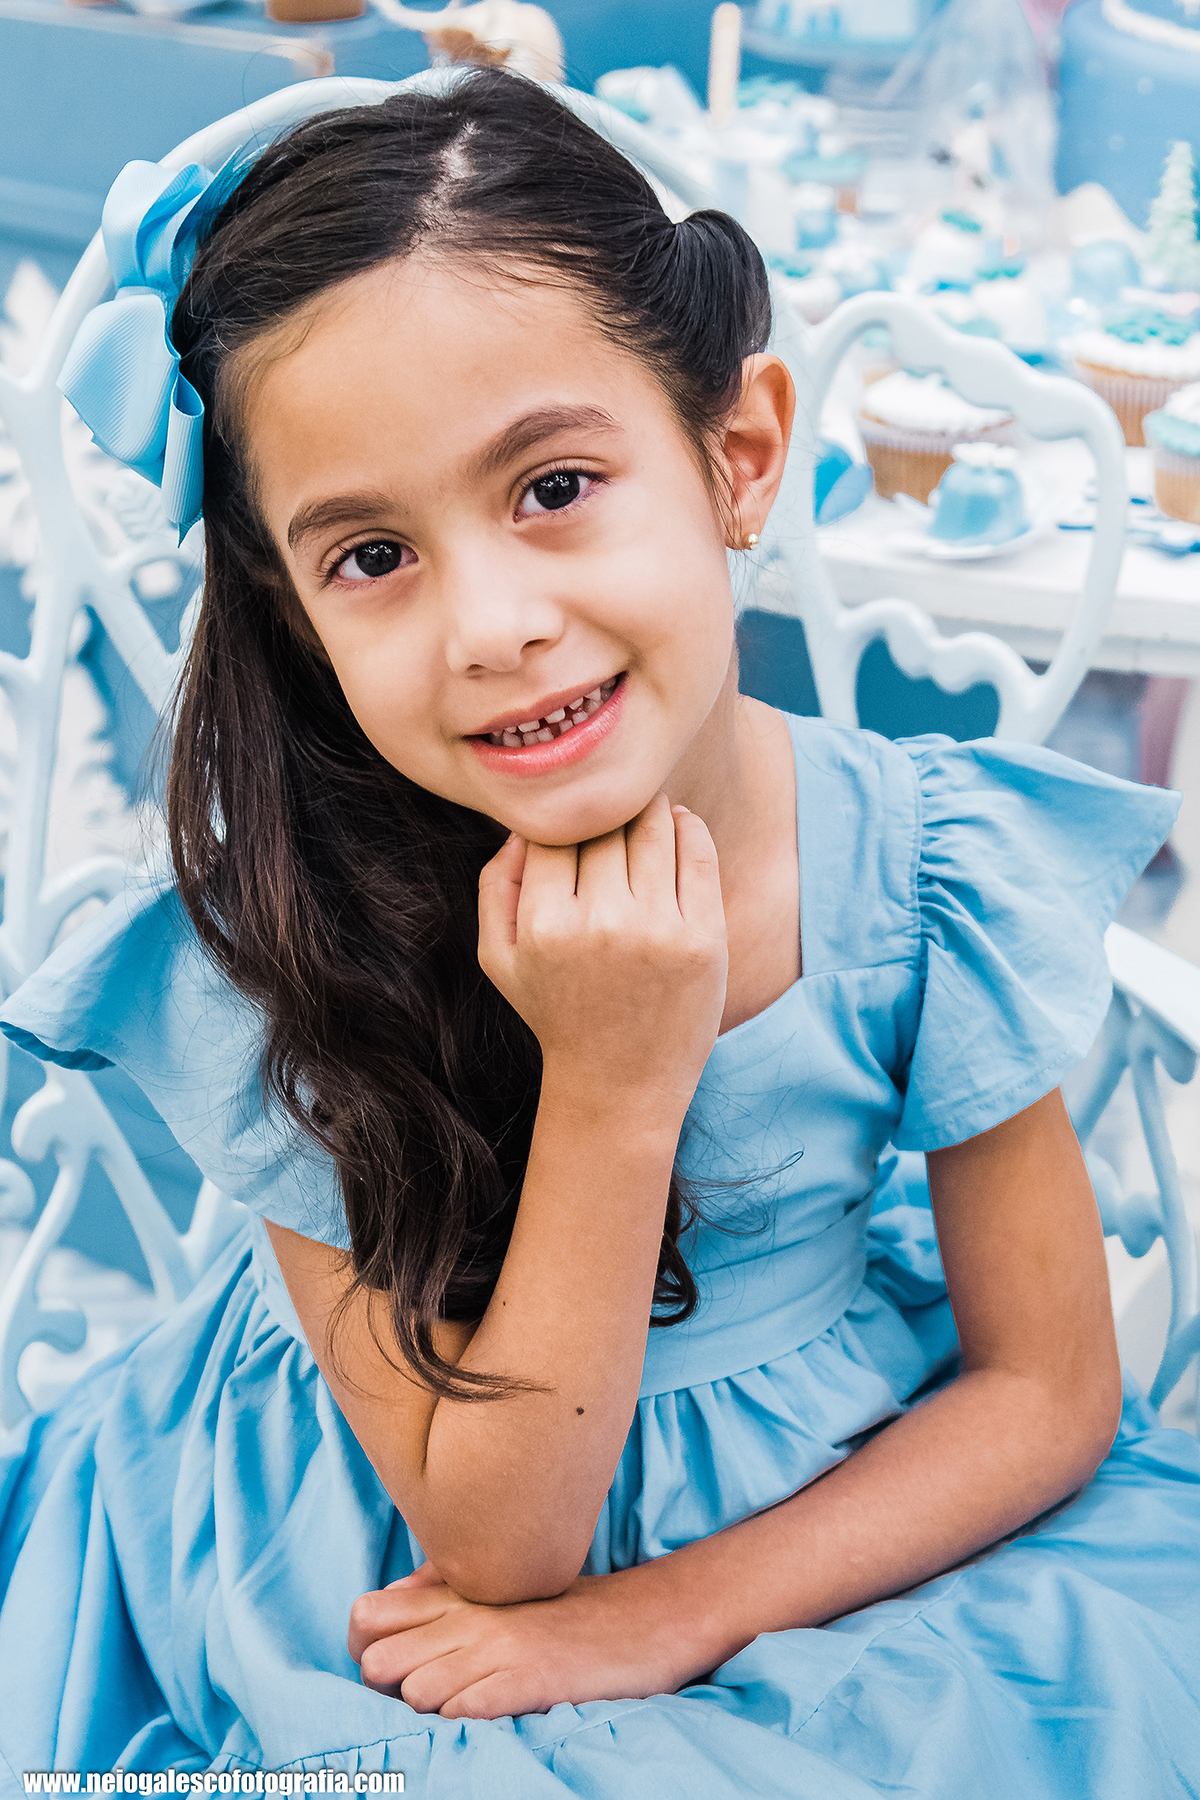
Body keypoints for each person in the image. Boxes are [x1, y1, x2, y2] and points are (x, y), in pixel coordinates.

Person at [1, 67, 1198, 1797]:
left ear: (738, 455)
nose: (493, 625)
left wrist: (668, 1616)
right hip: (413, 1531)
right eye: (371, 557)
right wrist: (616, 1083)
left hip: (836, 1514)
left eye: (554, 485)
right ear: (295, 609)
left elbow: (1049, 1389)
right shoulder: (285, 944)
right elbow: (499, 1551)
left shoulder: (925, 865)